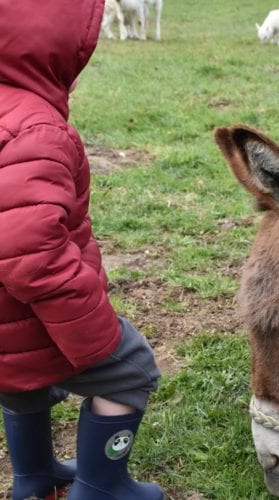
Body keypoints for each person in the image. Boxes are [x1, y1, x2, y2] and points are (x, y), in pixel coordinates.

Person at [0, 1, 164, 499]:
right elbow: (31, 251)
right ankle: (101, 486)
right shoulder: (35, 128)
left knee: (21, 376)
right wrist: (91, 332)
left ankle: (34, 476)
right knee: (129, 370)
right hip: (26, 308)